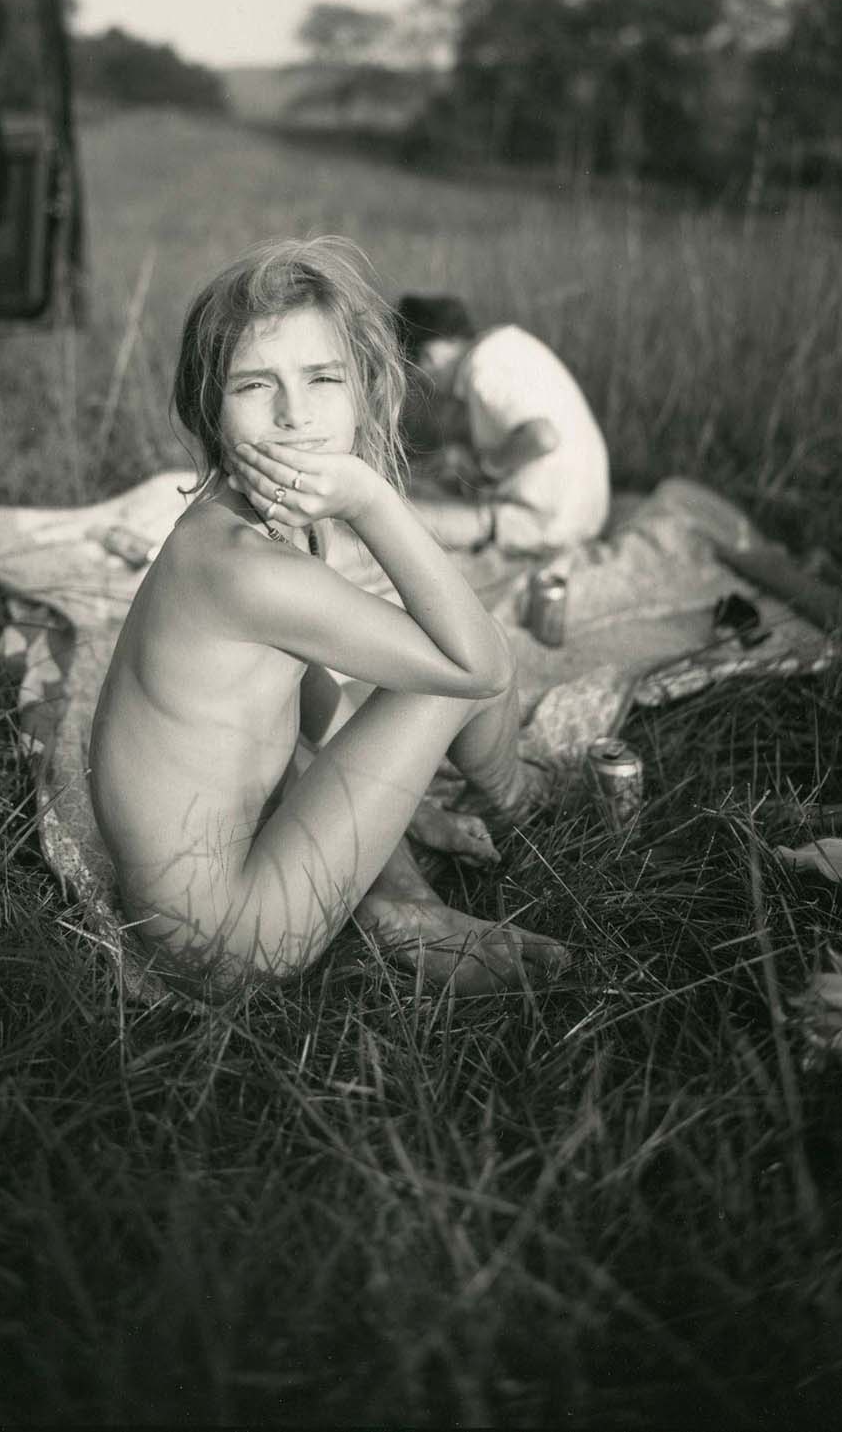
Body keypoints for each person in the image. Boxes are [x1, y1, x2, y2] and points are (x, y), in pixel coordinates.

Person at [89, 237, 570, 994]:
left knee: (352, 712)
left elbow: (306, 693)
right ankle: (518, 803)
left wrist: (412, 812)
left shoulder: (257, 520)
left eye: (322, 377)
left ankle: (403, 907)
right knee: (454, 667)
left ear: (362, 387)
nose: (295, 416)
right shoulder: (238, 566)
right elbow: (481, 666)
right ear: (209, 408)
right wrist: (372, 497)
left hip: (234, 875)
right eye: (255, 385)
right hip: (228, 942)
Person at [394, 295, 611, 554]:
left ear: (430, 356)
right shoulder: (504, 345)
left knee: (406, 519)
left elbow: (542, 436)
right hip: (585, 508)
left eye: (420, 376)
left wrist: (486, 468)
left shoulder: (482, 368)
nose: (431, 387)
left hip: (556, 521)